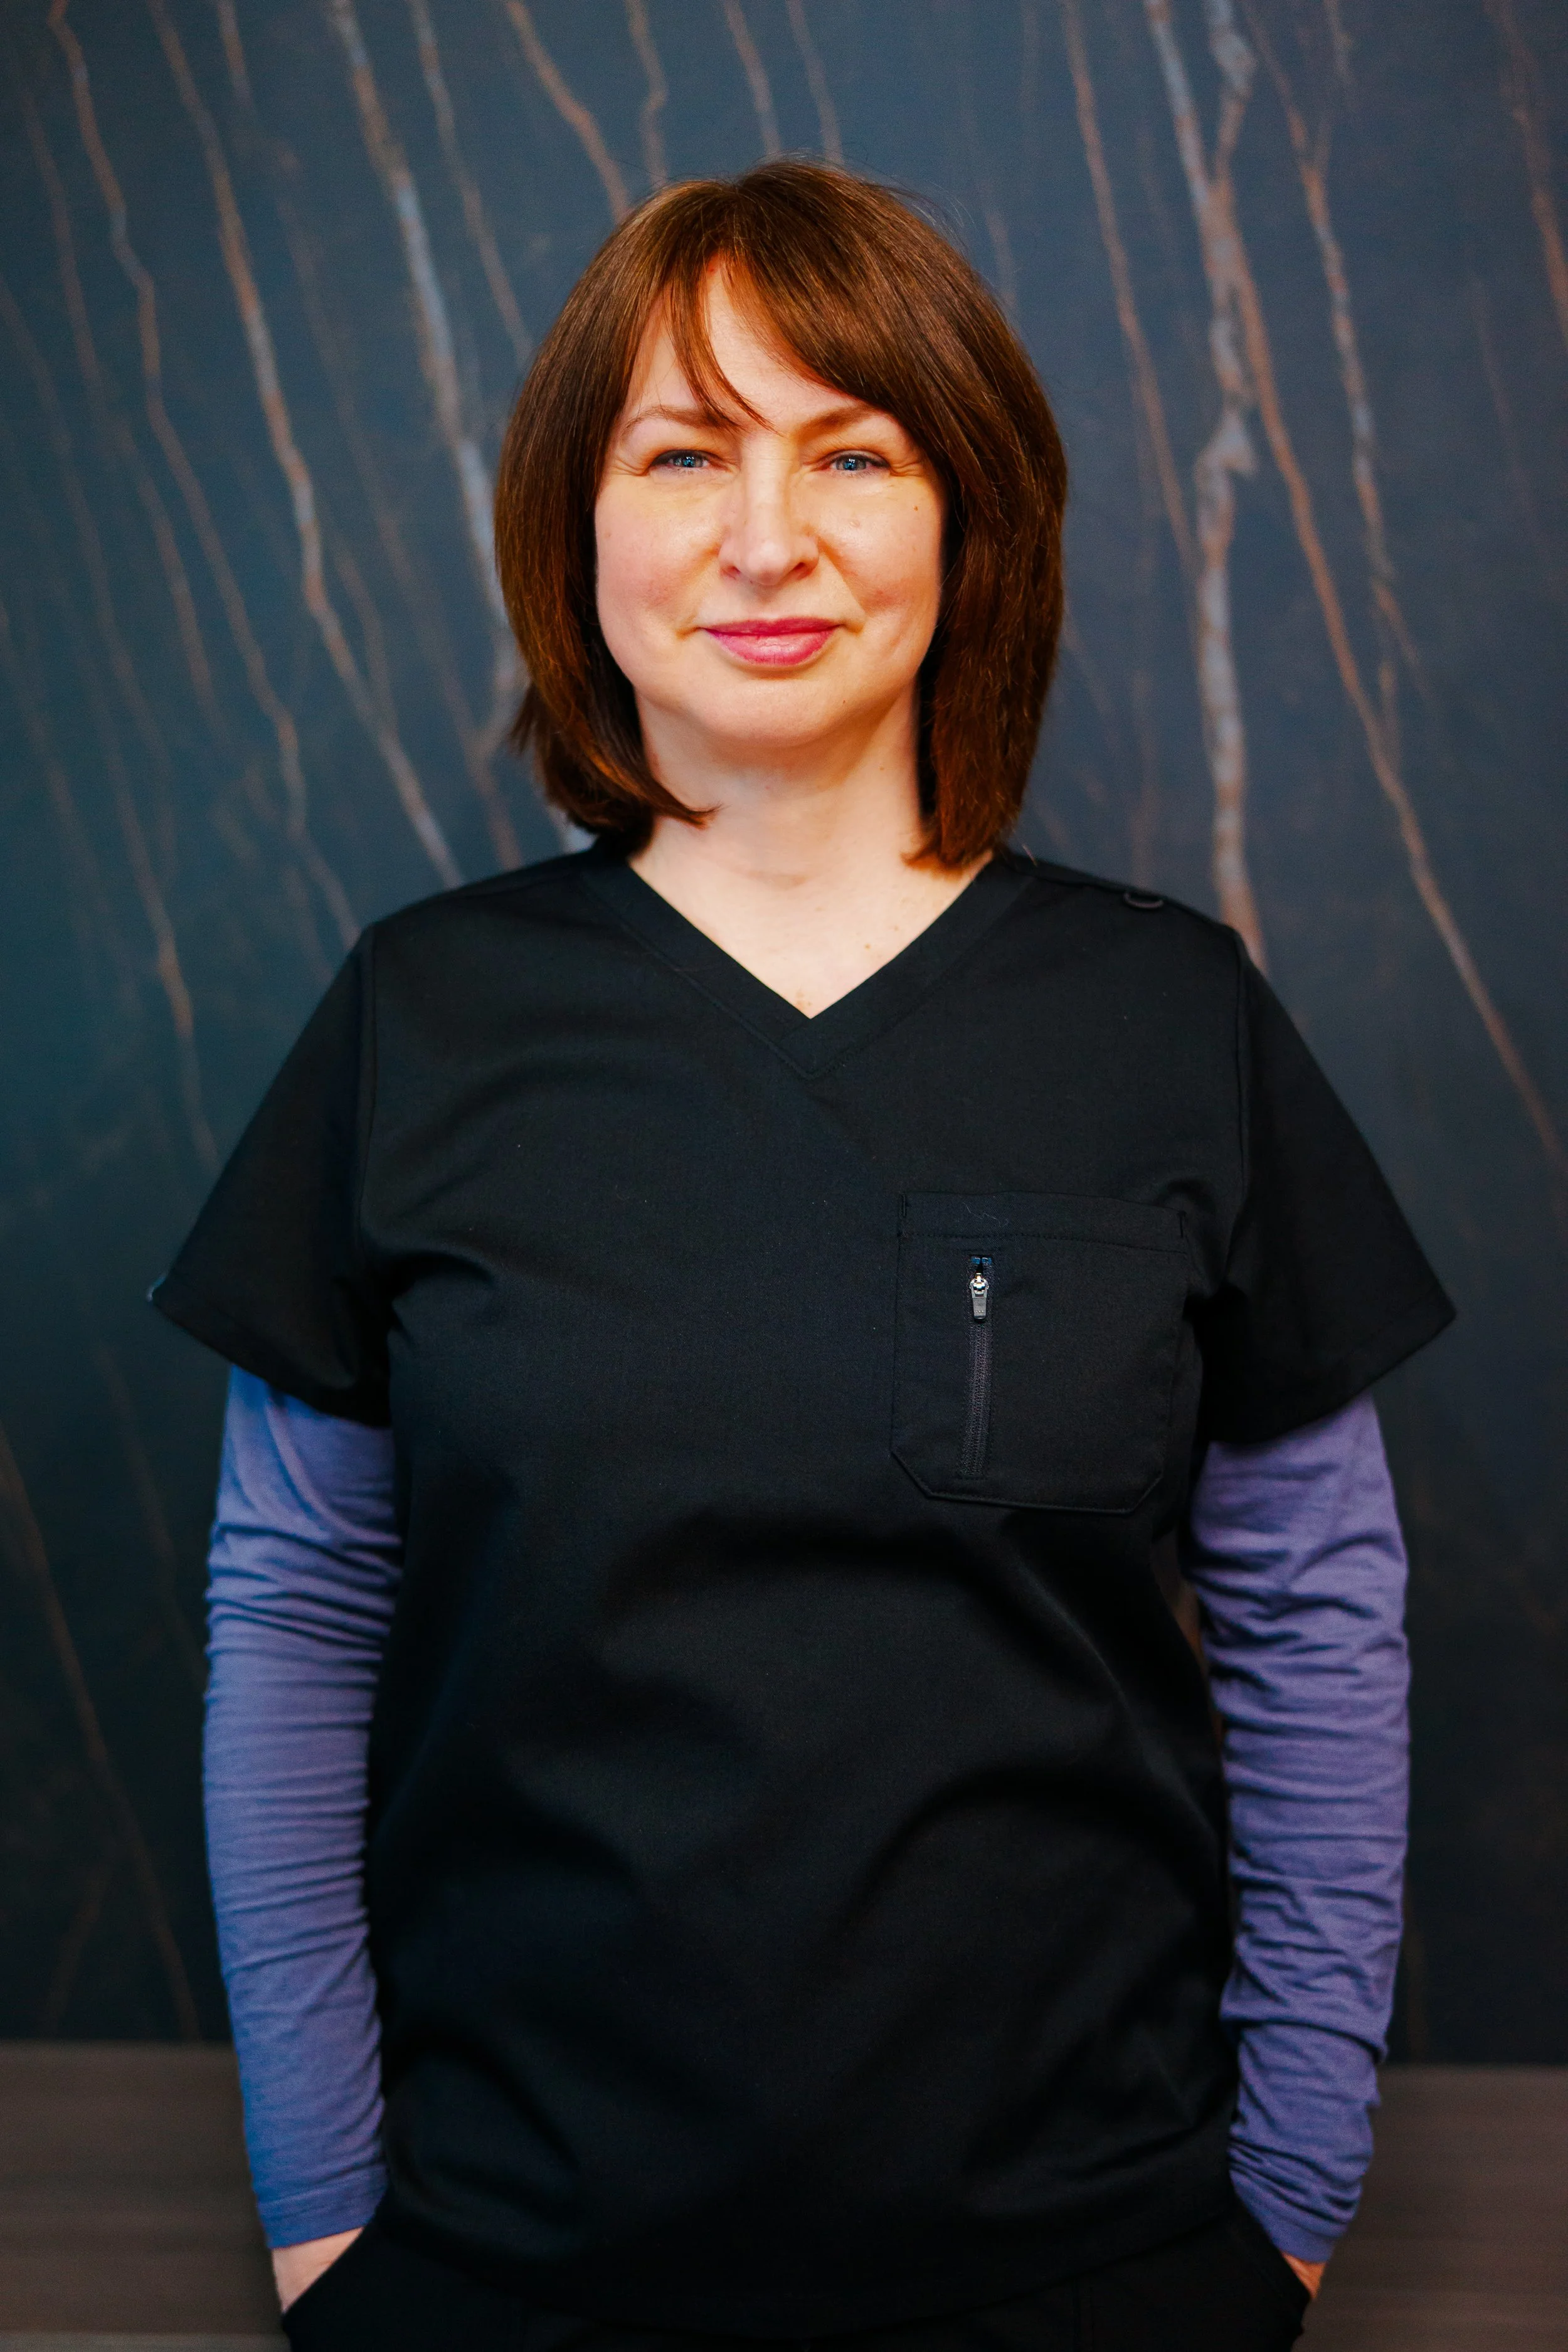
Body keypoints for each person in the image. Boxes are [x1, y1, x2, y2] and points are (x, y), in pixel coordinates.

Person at [153, 161, 1453, 2351]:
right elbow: (292, 1618)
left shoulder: (1169, 1024)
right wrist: (323, 2216)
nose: (766, 536)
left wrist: (1290, 2198)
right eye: (682, 453)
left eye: (851, 451)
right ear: (580, 527)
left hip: (1100, 2270)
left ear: (974, 527)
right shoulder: (420, 1020)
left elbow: (1317, 1618)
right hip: (497, 2274)